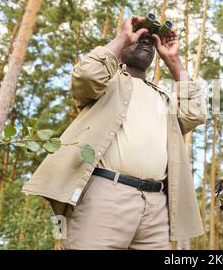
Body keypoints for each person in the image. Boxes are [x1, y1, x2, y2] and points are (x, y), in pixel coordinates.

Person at [23, 16, 206, 249]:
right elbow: (87, 75)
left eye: (150, 40)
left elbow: (195, 114)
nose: (146, 42)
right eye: (140, 37)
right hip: (105, 194)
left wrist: (173, 59)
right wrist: (123, 37)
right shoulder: (106, 82)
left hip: (156, 207)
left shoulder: (164, 97)